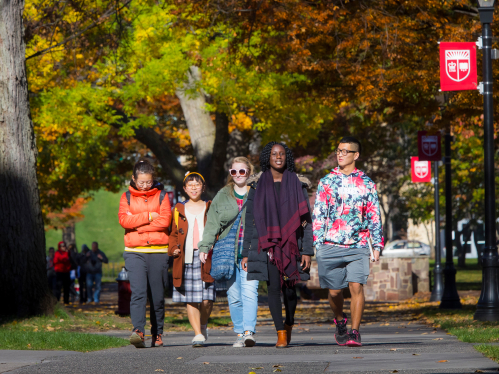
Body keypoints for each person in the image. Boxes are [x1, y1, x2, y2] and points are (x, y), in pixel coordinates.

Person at [313, 136, 384, 347]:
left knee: (356, 287)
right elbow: (318, 215)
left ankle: (354, 332)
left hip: (358, 245)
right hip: (330, 244)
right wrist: (318, 243)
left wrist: (377, 244)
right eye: (338, 150)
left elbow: (374, 215)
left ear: (356, 155)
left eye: (345, 151)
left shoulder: (367, 183)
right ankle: (340, 320)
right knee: (334, 292)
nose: (340, 154)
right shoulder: (326, 182)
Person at [242, 142, 313, 348]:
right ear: (268, 157)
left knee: (290, 290)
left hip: (292, 244)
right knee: (273, 288)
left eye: (282, 154)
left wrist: (307, 250)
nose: (278, 157)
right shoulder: (257, 185)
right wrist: (246, 252)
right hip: (268, 245)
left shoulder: (298, 184)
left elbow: (307, 221)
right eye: (274, 154)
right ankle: (280, 332)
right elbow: (250, 220)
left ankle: (289, 323)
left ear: (286, 157)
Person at [198, 157, 259, 348]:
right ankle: (240, 333)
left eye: (242, 171)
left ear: (249, 172)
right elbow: (212, 224)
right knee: (234, 295)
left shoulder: (258, 193)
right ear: (230, 174)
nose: (238, 175)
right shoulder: (222, 195)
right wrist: (205, 246)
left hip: (252, 251)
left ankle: (249, 332)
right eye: (234, 172)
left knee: (250, 292)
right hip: (228, 253)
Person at [118, 159, 172, 349]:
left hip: (158, 251)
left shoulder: (163, 196)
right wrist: (150, 216)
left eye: (148, 182)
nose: (145, 185)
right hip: (134, 252)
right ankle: (138, 331)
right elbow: (124, 221)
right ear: (133, 179)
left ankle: (157, 333)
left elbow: (165, 221)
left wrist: (137, 225)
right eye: (141, 182)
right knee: (139, 293)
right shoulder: (126, 197)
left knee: (157, 296)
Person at [169, 172, 215, 348]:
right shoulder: (179, 209)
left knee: (207, 299)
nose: (194, 187)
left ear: (203, 187)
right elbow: (173, 233)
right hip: (186, 258)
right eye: (190, 184)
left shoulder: (210, 207)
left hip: (207, 257)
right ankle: (197, 333)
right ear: (185, 189)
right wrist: (173, 249)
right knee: (191, 298)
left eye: (197, 184)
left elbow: (217, 230)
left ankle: (203, 326)